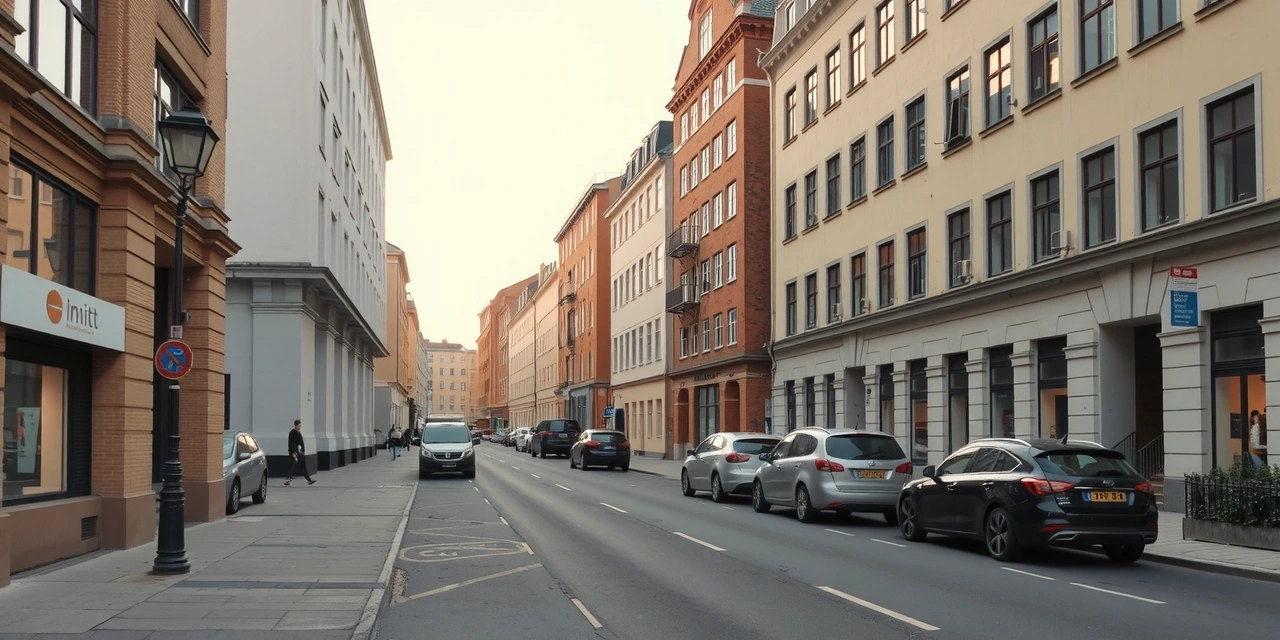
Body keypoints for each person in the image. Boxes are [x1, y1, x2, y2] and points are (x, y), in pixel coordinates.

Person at [284, 419, 316, 486]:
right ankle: (288, 479)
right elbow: (291, 444)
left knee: (303, 466)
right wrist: (293, 453)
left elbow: (301, 442)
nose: (299, 427)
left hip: (300, 453)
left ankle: (308, 480)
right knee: (292, 466)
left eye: (300, 425)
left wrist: (303, 451)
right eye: (299, 425)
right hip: (295, 453)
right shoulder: (292, 433)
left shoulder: (298, 433)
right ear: (296, 425)